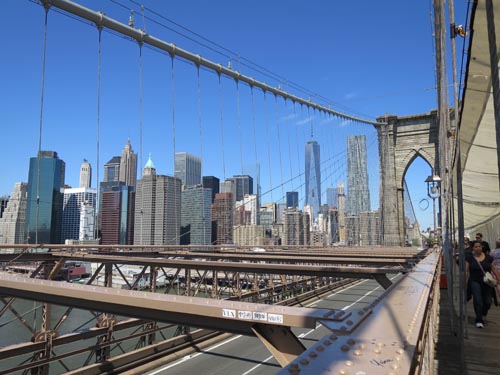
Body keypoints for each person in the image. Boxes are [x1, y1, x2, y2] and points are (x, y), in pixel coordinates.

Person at [466, 241, 500, 328]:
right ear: (473, 248)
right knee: (478, 300)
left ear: (482, 247)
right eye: (476, 247)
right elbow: (467, 271)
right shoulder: (470, 258)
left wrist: (498, 278)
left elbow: (493, 268)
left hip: (487, 282)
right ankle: (479, 319)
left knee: (488, 302)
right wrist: (466, 282)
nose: (478, 248)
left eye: (479, 246)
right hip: (475, 281)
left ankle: (484, 313)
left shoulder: (488, 258)